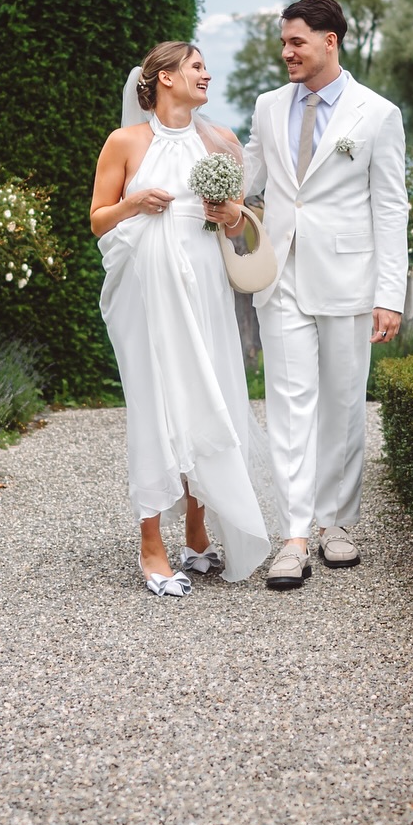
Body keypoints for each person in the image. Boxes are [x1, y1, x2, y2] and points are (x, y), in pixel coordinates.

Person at [90, 41, 271, 597]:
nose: (206, 74)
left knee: (210, 396)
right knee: (156, 403)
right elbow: (98, 221)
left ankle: (197, 532)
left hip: (206, 291)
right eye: (196, 66)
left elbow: (238, 229)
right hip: (148, 292)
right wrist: (134, 203)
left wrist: (231, 214)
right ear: (164, 78)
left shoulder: (222, 143)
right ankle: (151, 543)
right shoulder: (125, 142)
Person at [242, 0, 408, 590]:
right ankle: (293, 536)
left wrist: (390, 294)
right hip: (281, 276)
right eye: (284, 43)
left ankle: (338, 524)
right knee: (289, 405)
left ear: (330, 41)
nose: (286, 53)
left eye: (296, 43)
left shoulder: (377, 114)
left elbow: (390, 208)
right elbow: (248, 179)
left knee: (342, 404)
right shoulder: (266, 107)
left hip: (348, 281)